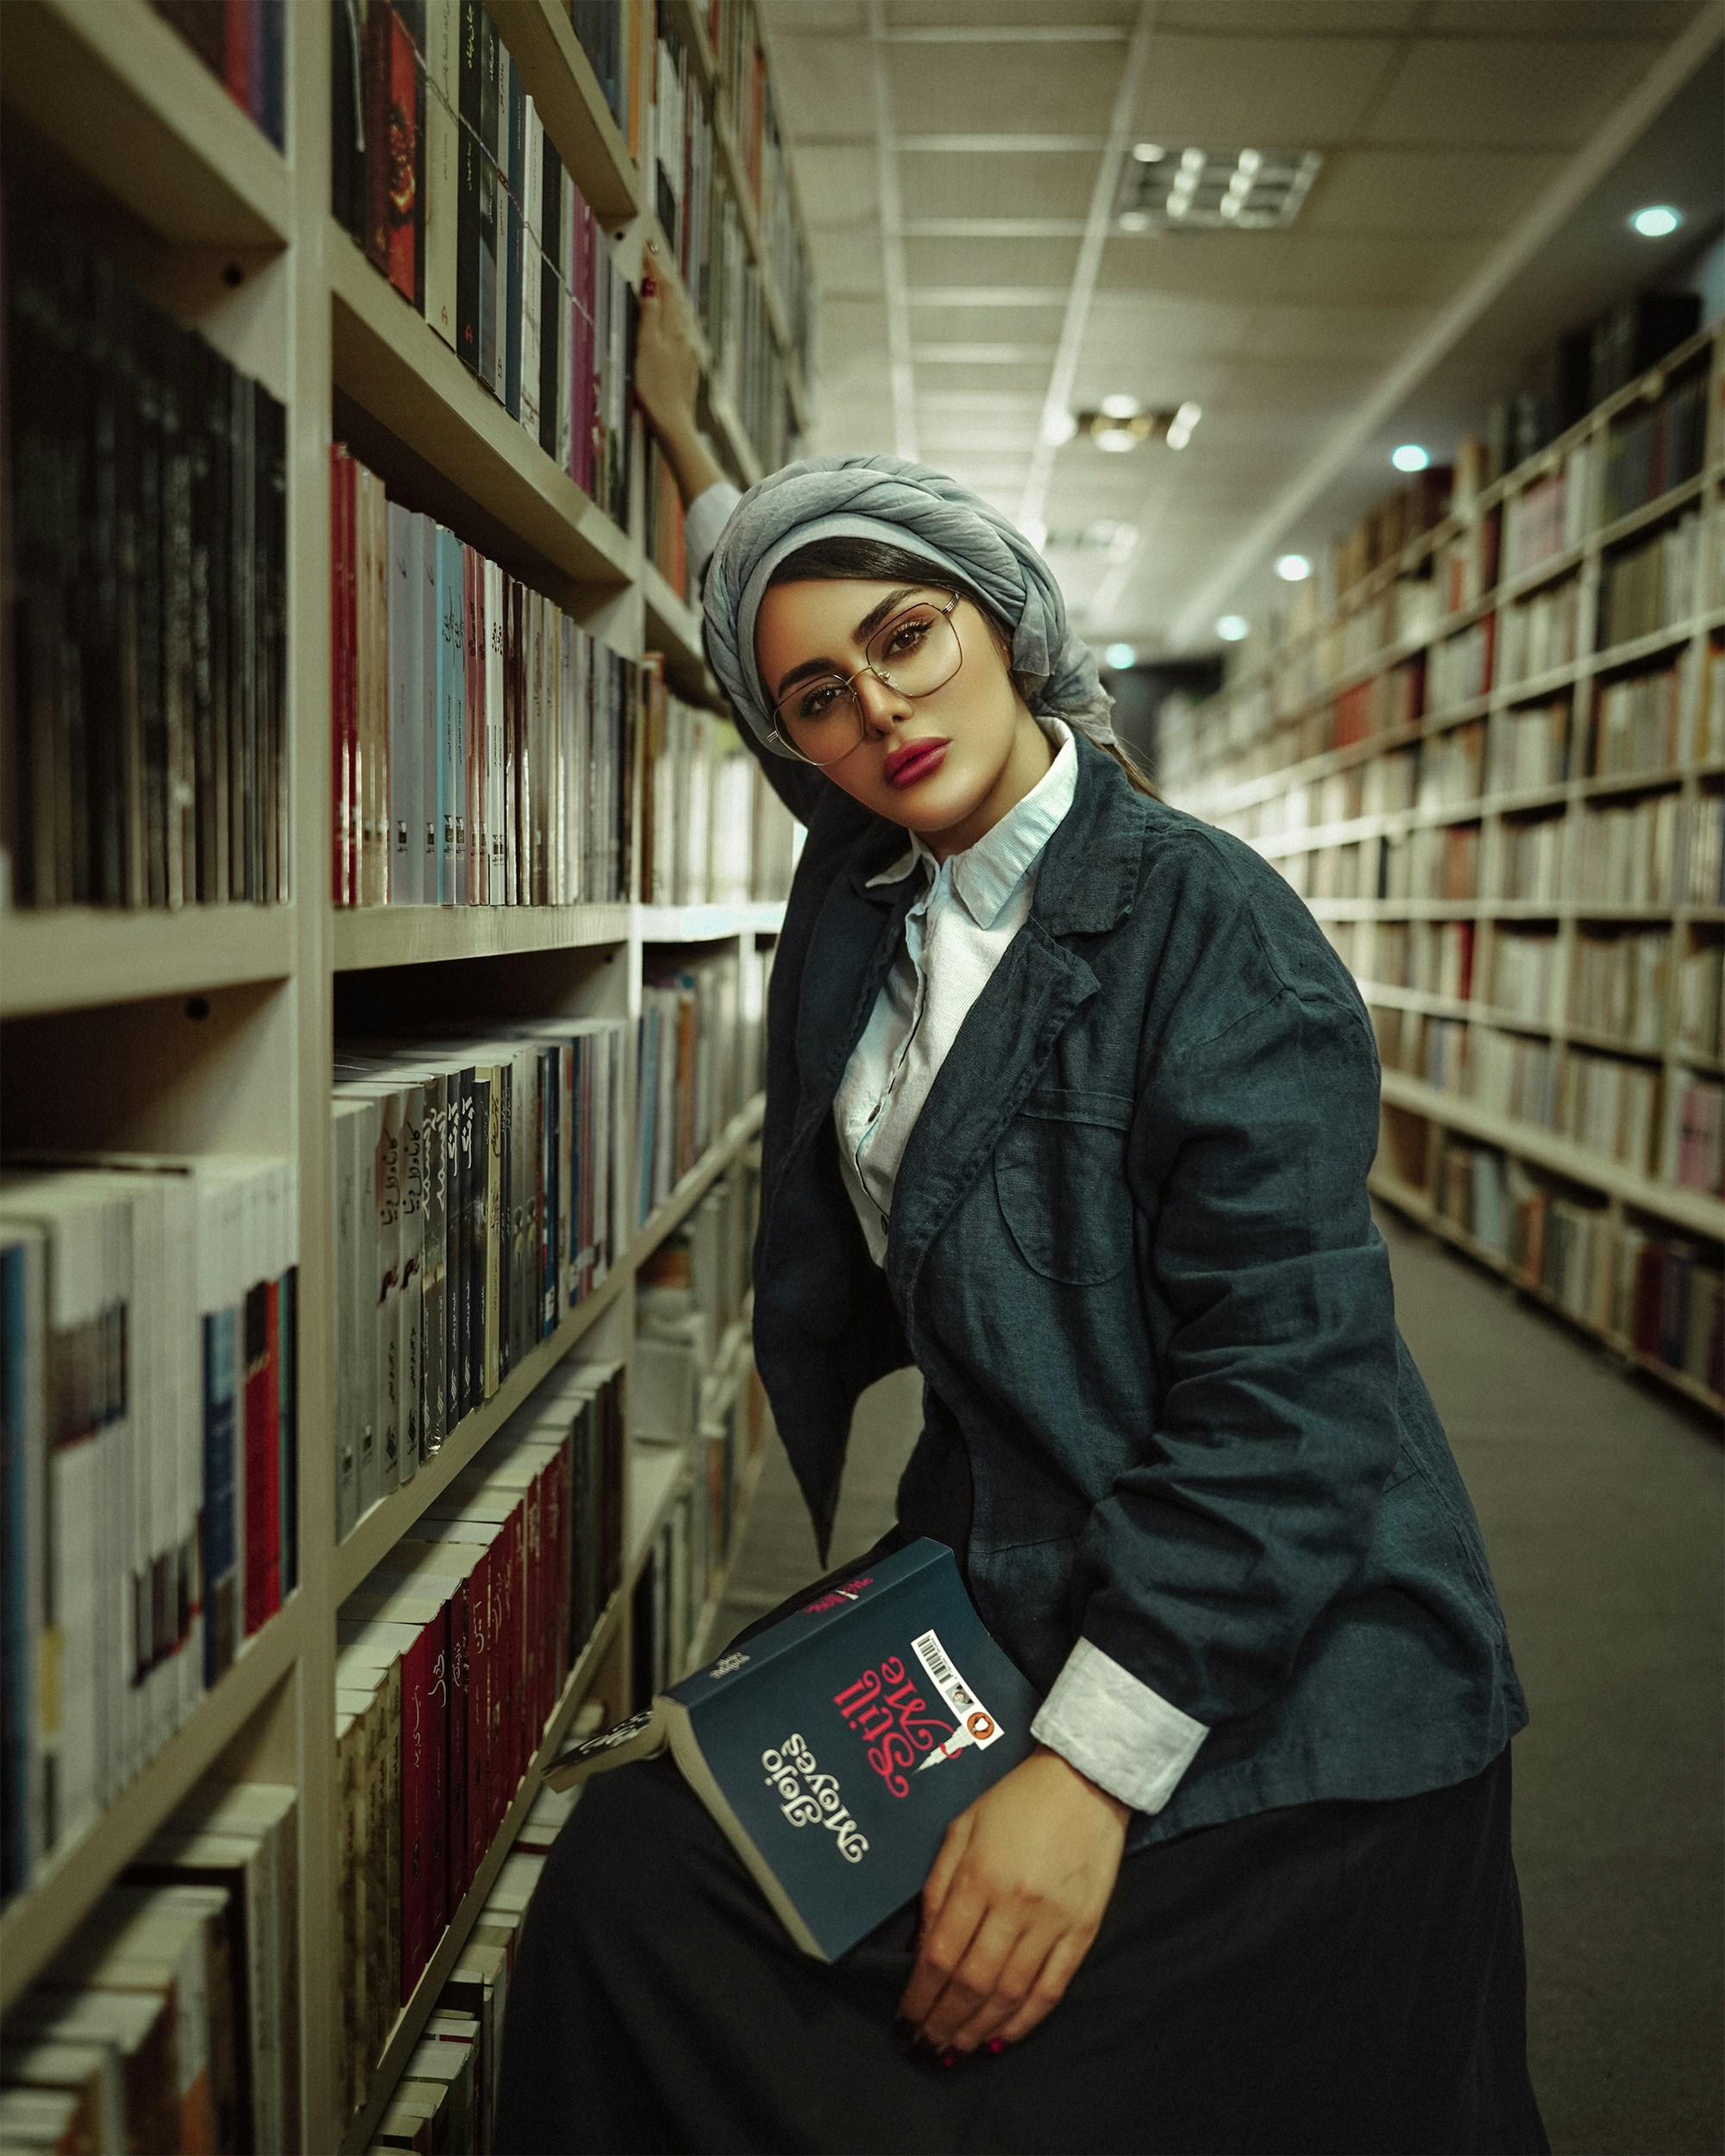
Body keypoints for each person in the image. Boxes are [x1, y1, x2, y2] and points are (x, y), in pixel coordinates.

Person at [492, 260, 1548, 2156]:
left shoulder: (1212, 932)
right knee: (632, 1874)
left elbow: (1290, 1411)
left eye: (910, 637)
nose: (880, 710)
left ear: (999, 617)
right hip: (1008, 1575)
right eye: (821, 696)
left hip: (1271, 1650)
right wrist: (679, 436)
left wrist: (1081, 1772)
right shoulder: (870, 861)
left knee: (908, 2040)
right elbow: (767, 596)